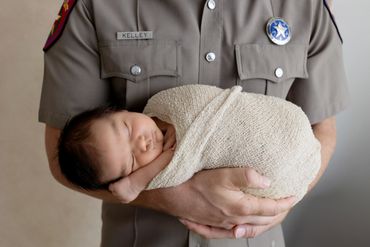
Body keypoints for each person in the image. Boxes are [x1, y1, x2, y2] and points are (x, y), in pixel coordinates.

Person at [39, 0, 349, 246]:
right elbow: (62, 152)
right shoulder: (94, 6)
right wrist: (176, 198)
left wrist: (278, 204)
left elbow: (323, 130)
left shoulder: (305, 4)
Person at [57, 85, 321, 204]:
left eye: (127, 129)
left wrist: (134, 183)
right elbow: (178, 163)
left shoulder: (163, 103)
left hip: (278, 122)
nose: (142, 143)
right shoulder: (168, 168)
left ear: (119, 111)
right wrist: (138, 182)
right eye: (133, 162)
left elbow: (197, 102)